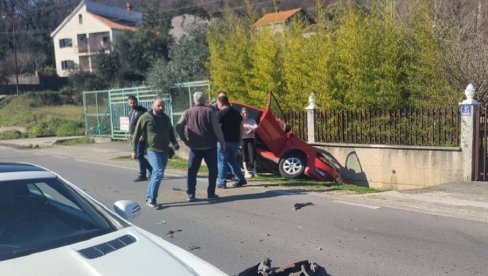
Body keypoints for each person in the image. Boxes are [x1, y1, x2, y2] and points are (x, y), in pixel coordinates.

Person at [175, 91, 226, 202]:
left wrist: (184, 139)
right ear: (203, 100)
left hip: (195, 147)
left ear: (194, 100)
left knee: (192, 172)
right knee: (213, 171)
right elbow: (217, 129)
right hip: (210, 146)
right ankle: (211, 193)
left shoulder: (187, 112)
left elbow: (178, 127)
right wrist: (222, 143)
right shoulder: (210, 112)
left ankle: (191, 194)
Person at [131, 97, 179, 208]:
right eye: (159, 105)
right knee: (158, 172)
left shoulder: (166, 118)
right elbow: (136, 134)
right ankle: (152, 199)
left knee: (156, 174)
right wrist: (133, 150)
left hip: (164, 151)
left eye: (163, 106)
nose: (161, 107)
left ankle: (148, 196)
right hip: (152, 150)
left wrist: (175, 143)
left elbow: (171, 132)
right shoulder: (145, 117)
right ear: (153, 106)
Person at [216, 95, 247, 188]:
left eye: (217, 103)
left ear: (221, 103)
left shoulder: (220, 114)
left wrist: (220, 140)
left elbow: (217, 128)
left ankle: (222, 182)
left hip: (223, 142)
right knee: (232, 161)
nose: (217, 105)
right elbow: (241, 128)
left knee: (222, 162)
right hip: (234, 142)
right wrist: (240, 140)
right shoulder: (237, 113)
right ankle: (241, 179)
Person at [127, 95, 152, 182]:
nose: (132, 104)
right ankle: (147, 172)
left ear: (137, 101)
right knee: (139, 155)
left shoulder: (143, 111)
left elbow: (146, 124)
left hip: (141, 137)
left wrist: (143, 135)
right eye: (130, 102)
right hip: (133, 136)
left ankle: (146, 173)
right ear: (128, 103)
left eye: (133, 102)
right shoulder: (131, 112)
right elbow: (131, 124)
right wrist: (129, 134)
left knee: (139, 155)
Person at [241, 107, 258, 178]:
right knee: (244, 155)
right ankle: (246, 171)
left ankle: (254, 170)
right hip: (242, 139)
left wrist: (250, 129)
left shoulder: (252, 120)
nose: (245, 114)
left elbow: (256, 126)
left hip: (250, 138)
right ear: (241, 114)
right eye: (244, 113)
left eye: (246, 113)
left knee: (252, 155)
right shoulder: (240, 121)